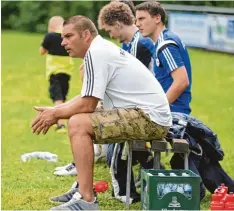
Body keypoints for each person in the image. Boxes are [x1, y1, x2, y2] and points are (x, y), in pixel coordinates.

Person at [31, 15, 172, 210]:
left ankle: (86, 200)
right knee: (76, 119)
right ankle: (82, 188)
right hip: (144, 113)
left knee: (78, 123)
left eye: (69, 36)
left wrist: (55, 115)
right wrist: (56, 110)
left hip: (150, 118)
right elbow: (86, 96)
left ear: (86, 34)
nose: (63, 42)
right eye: (63, 37)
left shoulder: (97, 53)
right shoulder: (98, 50)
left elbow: (87, 104)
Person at [98, 1, 155, 203]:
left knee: (115, 138)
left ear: (118, 24)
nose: (110, 35)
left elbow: (132, 84)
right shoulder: (130, 44)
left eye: (109, 29)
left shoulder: (141, 45)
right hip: (140, 107)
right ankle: (150, 179)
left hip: (146, 110)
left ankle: (124, 192)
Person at [135, 1, 192, 114]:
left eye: (141, 19)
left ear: (157, 18)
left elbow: (182, 81)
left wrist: (159, 108)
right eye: (136, 20)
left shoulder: (165, 44)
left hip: (173, 113)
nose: (137, 24)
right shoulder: (163, 41)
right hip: (171, 111)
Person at [40, 16, 74, 133]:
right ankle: (64, 121)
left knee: (57, 98)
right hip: (67, 72)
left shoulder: (50, 36)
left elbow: (42, 51)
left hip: (54, 72)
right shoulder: (68, 37)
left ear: (51, 27)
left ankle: (60, 125)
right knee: (63, 97)